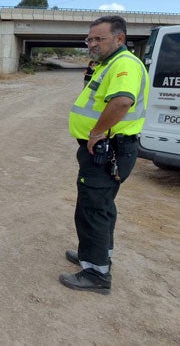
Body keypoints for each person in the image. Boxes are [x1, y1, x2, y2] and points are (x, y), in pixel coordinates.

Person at [61, 15, 149, 294]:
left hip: (108, 148)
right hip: (107, 149)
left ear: (120, 38)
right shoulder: (107, 64)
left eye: (100, 38)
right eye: (90, 39)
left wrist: (97, 132)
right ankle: (96, 253)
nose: (92, 44)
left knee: (93, 208)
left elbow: (122, 101)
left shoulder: (124, 64)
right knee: (102, 205)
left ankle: (96, 273)